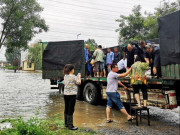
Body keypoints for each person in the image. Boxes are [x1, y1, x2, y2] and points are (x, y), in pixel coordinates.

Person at [63, 64, 81, 130]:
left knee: (66, 108)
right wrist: (79, 76)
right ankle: (70, 126)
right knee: (71, 109)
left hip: (66, 94)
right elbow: (79, 83)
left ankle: (66, 123)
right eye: (73, 69)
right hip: (72, 95)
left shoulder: (65, 76)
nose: (74, 70)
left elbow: (64, 83)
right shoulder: (74, 77)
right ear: (71, 70)